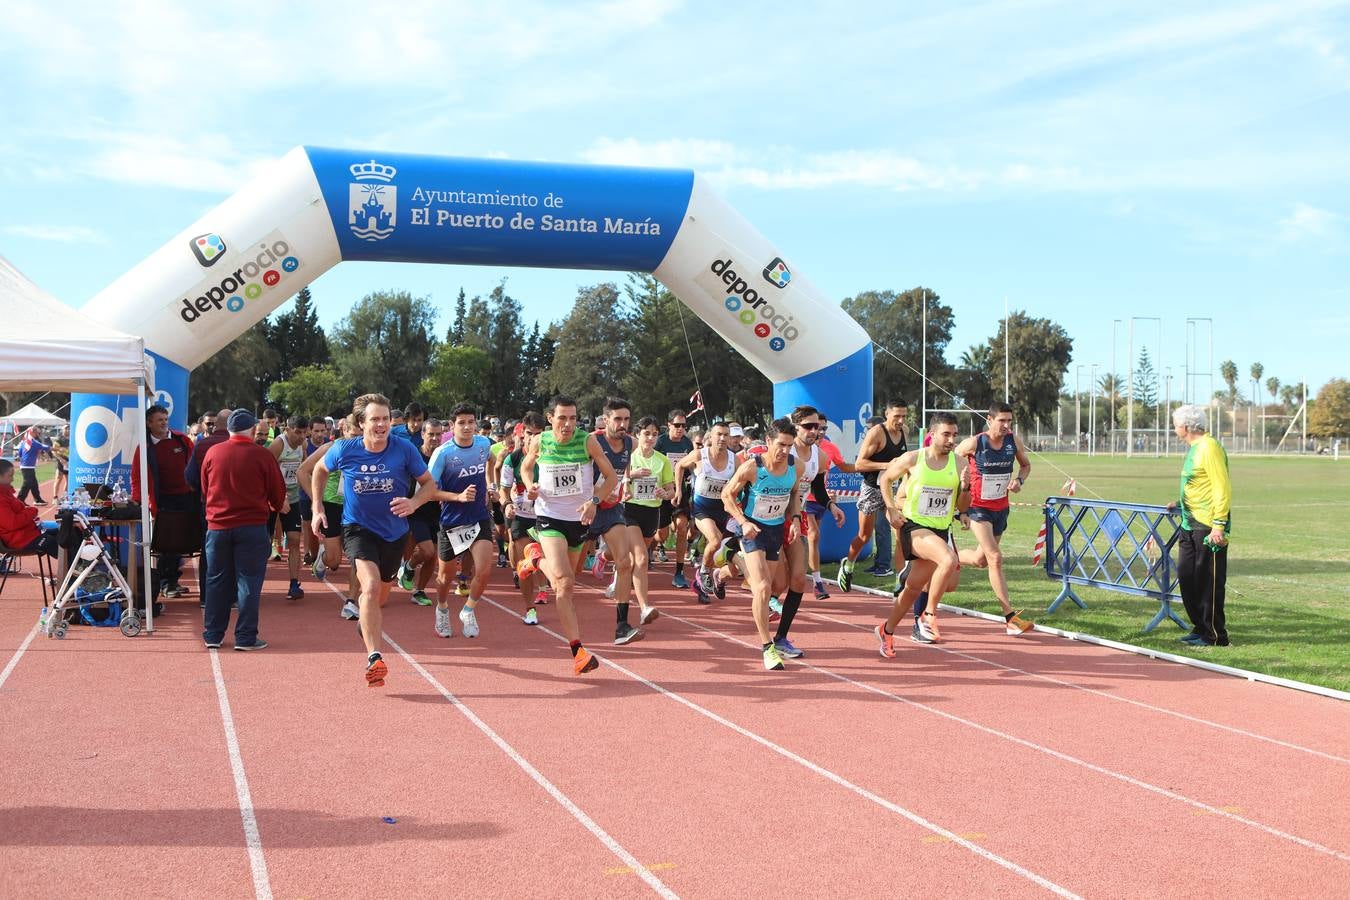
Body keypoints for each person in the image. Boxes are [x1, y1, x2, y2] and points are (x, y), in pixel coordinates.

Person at [312, 394, 438, 687]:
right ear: (361, 423)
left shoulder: (403, 449)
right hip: (358, 528)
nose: (382, 425)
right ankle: (375, 658)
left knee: (379, 596)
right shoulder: (344, 449)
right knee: (367, 587)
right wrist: (318, 508)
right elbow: (319, 470)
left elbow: (429, 484)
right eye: (375, 419)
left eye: (385, 419)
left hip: (394, 533)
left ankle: (365, 623)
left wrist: (414, 503)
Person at [520, 394, 622, 675]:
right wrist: (530, 485)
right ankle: (577, 651)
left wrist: (594, 502)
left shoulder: (587, 440)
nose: (568, 424)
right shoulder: (540, 441)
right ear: (550, 418)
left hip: (579, 520)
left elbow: (611, 478)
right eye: (562, 418)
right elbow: (526, 467)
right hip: (549, 516)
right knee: (564, 583)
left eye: (573, 418)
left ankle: (534, 559)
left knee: (568, 582)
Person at [875, 413, 964, 655]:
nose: (951, 440)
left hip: (940, 528)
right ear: (932, 435)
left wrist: (965, 489)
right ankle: (929, 615)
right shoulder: (914, 458)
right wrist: (892, 509)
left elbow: (962, 503)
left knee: (913, 589)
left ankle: (887, 630)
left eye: (954, 435)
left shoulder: (959, 464)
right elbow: (885, 479)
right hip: (913, 527)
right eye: (946, 434)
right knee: (948, 559)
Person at [720, 417, 805, 671]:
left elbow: (793, 495)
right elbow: (727, 495)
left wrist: (796, 519)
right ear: (768, 441)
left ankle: (728, 562)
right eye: (780, 445)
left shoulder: (795, 467)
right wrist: (742, 522)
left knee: (779, 584)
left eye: (789, 446)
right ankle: (768, 647)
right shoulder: (752, 468)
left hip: (775, 530)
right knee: (763, 587)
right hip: (752, 530)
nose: (784, 451)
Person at [199, 409, 287, 651]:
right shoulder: (262, 455)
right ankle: (246, 636)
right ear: (251, 430)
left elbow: (205, 489)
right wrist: (278, 505)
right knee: (248, 581)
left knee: (216, 579)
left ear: (228, 429)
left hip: (217, 526)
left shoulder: (213, 453)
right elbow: (277, 492)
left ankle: (212, 634)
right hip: (252, 526)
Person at [953, 402, 1034, 635]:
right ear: (990, 420)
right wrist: (962, 482)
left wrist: (1019, 481)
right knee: (995, 558)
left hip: (1001, 508)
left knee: (981, 560)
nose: (1007, 425)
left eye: (1010, 421)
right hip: (978, 508)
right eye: (1002, 421)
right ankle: (1010, 618)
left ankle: (949, 556)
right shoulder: (974, 443)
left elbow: (1026, 465)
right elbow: (951, 461)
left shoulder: (1012, 441)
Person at [426, 405, 495, 639]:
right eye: (462, 422)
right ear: (452, 425)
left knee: (484, 571)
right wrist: (457, 497)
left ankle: (468, 610)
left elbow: (492, 462)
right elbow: (428, 492)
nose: (467, 427)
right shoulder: (442, 454)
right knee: (445, 577)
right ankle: (442, 609)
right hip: (452, 522)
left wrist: (490, 486)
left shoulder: (484, 444)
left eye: (471, 422)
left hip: (478, 518)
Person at [1168, 405, 1232, 647]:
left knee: (1209, 582)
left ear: (1185, 427)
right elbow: (1197, 484)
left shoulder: (1210, 447)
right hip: (1189, 523)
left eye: (1175, 424)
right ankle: (1199, 626)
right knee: (1187, 576)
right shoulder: (1194, 449)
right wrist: (1180, 503)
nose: (1175, 428)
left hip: (1208, 525)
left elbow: (1220, 486)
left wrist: (1219, 525)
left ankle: (1215, 635)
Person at [131, 405, 198, 600]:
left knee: (182, 543)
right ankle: (165, 583)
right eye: (159, 419)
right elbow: (137, 476)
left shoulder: (182, 440)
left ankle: (172, 581)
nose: (164, 422)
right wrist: (138, 501)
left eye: (165, 419)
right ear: (148, 423)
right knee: (166, 543)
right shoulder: (144, 447)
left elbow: (195, 465)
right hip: (162, 501)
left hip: (186, 498)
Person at [840, 402, 908, 589]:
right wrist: (887, 465)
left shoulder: (905, 431)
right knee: (864, 535)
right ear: (887, 414)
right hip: (871, 488)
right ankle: (848, 565)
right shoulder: (877, 433)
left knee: (901, 532)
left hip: (892, 489)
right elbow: (860, 464)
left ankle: (899, 582)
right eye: (897, 416)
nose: (901, 420)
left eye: (904, 416)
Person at [297, 416, 359, 620]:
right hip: (332, 506)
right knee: (334, 559)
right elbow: (303, 471)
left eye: (361, 435)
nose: (357, 440)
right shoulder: (332, 448)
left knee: (358, 556)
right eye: (353, 435)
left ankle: (351, 600)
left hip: (357, 508)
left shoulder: (369, 450)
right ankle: (322, 560)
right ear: (345, 431)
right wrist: (317, 502)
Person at [675, 420, 737, 603]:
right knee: (715, 539)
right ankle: (703, 573)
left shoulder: (735, 459)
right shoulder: (699, 455)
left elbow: (745, 480)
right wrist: (679, 490)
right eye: (719, 434)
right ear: (711, 436)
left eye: (726, 434)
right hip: (701, 507)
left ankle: (705, 579)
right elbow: (679, 466)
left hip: (723, 510)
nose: (723, 438)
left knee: (721, 549)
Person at [500, 413, 548, 622]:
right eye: (530, 434)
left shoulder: (551, 457)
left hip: (548, 516)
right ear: (523, 433)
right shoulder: (513, 458)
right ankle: (530, 609)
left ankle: (544, 586)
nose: (533, 438)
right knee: (526, 560)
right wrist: (507, 504)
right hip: (522, 516)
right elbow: (504, 489)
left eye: (538, 434)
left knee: (549, 563)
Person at [185, 407, 235, 605]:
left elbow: (189, 477)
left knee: (209, 553)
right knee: (234, 554)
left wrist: (201, 489)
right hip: (238, 509)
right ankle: (232, 597)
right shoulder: (241, 445)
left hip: (209, 507)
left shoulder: (202, 445)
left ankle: (206, 597)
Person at [397, 417, 444, 607]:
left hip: (437, 511)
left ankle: (420, 591)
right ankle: (408, 566)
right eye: (430, 434)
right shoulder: (413, 456)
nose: (434, 438)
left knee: (432, 556)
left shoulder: (444, 455)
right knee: (427, 550)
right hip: (415, 509)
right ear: (423, 434)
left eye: (438, 434)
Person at [267, 415, 310, 601]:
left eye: (304, 432)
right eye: (297, 432)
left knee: (293, 540)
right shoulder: (278, 445)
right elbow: (265, 471)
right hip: (272, 500)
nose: (301, 436)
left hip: (292, 499)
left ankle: (294, 584)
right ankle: (254, 583)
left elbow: (304, 469)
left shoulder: (304, 446)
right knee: (263, 543)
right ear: (287, 430)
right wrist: (277, 495)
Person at [655, 410, 695, 587]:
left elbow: (692, 466)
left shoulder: (687, 443)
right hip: (661, 492)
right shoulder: (660, 442)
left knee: (681, 526)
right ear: (669, 425)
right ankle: (655, 545)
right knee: (661, 535)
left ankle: (679, 571)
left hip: (681, 491)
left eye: (683, 426)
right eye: (677, 425)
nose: (680, 429)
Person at [0, 459, 58, 558]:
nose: (12, 479)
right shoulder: (2, 497)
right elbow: (12, 523)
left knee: (63, 534)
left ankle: (78, 566)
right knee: (54, 543)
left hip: (26, 534)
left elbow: (17, 511)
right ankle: (75, 569)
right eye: (10, 476)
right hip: (18, 540)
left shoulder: (6, 492)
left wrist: (26, 511)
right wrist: (32, 511)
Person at [16, 426, 49, 505]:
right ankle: (19, 500)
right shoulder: (33, 442)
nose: (38, 434)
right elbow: (44, 447)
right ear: (32, 432)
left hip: (26, 465)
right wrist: (55, 448)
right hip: (27, 466)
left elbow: (19, 453)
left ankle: (37, 499)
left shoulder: (24, 442)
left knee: (33, 483)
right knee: (27, 484)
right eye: (37, 432)